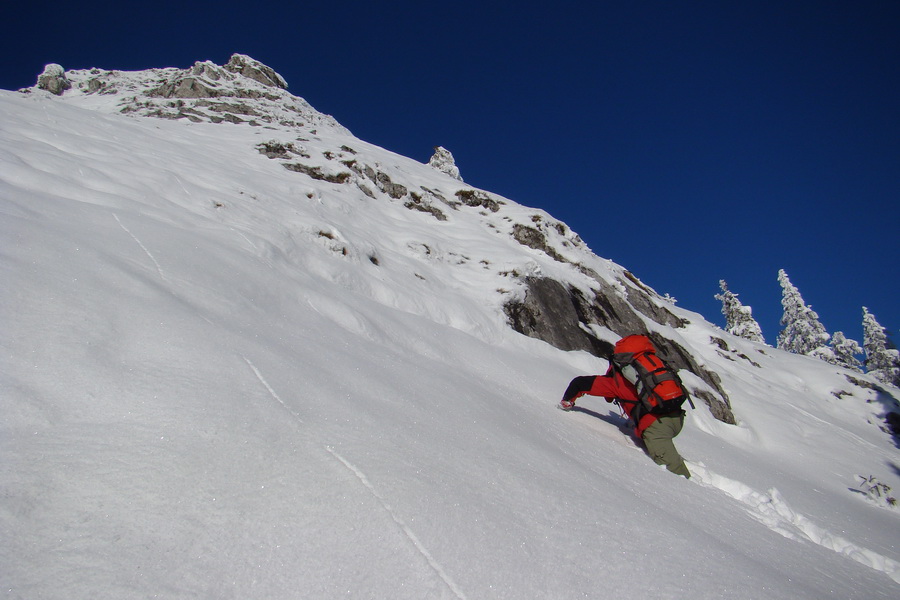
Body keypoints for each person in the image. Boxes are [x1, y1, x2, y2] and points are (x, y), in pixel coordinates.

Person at [559, 357, 691, 479]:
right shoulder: (648, 375)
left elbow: (579, 383)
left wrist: (567, 401)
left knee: (675, 473)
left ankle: (691, 493)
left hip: (656, 427)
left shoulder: (617, 381)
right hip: (676, 416)